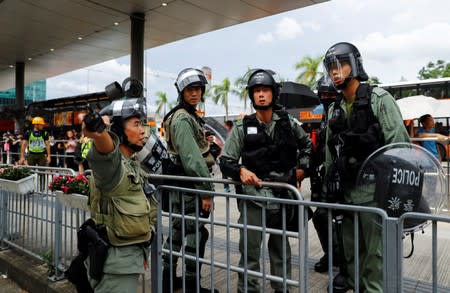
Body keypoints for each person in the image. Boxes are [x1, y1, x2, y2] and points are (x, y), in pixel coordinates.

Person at [322, 42, 410, 292]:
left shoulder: (378, 99)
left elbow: (399, 146)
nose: (335, 72)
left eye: (341, 65)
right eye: (331, 68)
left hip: (375, 196)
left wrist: (395, 194)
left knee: (376, 258)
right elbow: (330, 151)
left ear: (355, 65)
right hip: (347, 195)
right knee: (350, 256)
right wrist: (331, 184)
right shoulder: (335, 109)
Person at [219, 68, 312, 293]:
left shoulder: (288, 123)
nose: (261, 95)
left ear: (273, 94)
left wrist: (301, 170)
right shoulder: (242, 127)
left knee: (281, 250)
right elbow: (226, 160)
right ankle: (247, 289)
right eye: (257, 91)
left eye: (265, 90)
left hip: (282, 198)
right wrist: (240, 170)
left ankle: (282, 288)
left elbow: (308, 146)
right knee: (250, 251)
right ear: (252, 96)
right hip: (254, 199)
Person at [80, 97, 157, 293]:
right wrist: (99, 133)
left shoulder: (131, 163)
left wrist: (142, 253)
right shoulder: (113, 168)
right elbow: (106, 151)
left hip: (128, 258)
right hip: (116, 265)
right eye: (136, 124)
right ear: (118, 131)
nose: (143, 131)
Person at [162, 68, 218, 293]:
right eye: (190, 89)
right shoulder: (183, 118)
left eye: (198, 89)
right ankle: (191, 285)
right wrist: (206, 191)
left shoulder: (182, 115)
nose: (194, 93)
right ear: (181, 91)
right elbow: (192, 161)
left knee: (177, 232)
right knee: (196, 233)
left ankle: (167, 281)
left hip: (181, 186)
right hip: (191, 187)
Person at [310, 76, 341, 273]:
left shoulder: (343, 114)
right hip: (323, 178)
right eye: (323, 94)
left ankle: (346, 261)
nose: (326, 97)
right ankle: (332, 253)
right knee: (320, 217)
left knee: (342, 220)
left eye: (330, 94)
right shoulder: (322, 118)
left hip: (343, 177)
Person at [222, 120, 234, 192]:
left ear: (228, 126)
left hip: (231, 155)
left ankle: (226, 186)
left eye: (225, 125)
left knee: (225, 170)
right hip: (229, 155)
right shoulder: (230, 133)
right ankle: (226, 186)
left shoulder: (233, 133)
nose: (223, 127)